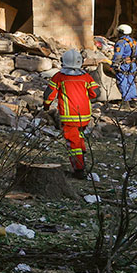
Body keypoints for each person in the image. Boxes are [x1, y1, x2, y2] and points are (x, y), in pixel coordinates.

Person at [43, 49, 100, 179]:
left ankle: (79, 170)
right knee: (79, 136)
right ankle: (82, 154)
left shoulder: (59, 77)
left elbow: (49, 95)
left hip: (69, 117)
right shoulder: (86, 76)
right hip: (85, 116)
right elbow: (96, 93)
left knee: (72, 143)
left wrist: (46, 106)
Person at [112, 24, 137, 107]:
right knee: (131, 81)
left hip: (123, 65)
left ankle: (126, 101)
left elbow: (118, 55)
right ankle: (134, 100)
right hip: (132, 64)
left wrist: (114, 65)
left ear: (121, 32)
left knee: (122, 81)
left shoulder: (120, 43)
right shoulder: (134, 42)